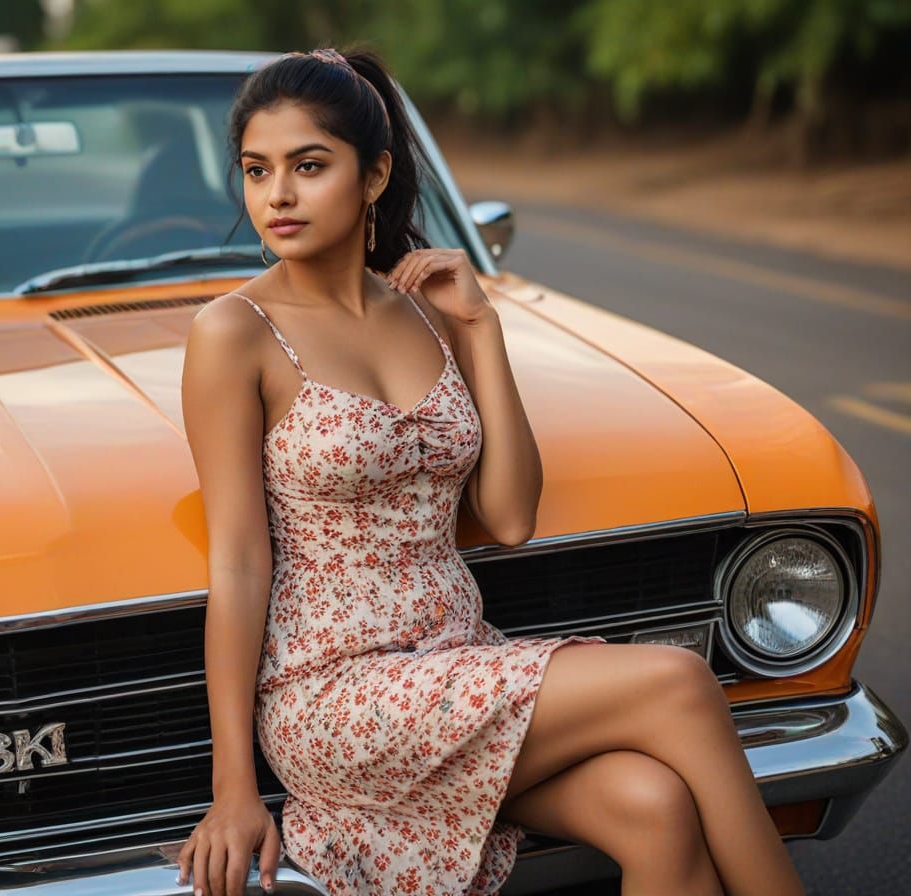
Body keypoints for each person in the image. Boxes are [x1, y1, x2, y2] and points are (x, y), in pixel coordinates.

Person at [178, 44, 807, 896]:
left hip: (457, 658)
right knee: (680, 682)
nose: (278, 195)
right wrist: (233, 790)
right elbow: (240, 563)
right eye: (257, 170)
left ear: (373, 177)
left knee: (655, 804)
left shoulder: (428, 314)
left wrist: (480, 331)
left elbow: (510, 517)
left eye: (309, 165)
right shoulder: (234, 332)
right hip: (333, 693)